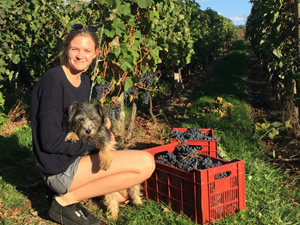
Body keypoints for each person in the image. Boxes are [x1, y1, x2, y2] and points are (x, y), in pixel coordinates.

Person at [30, 24, 156, 225]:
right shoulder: (54, 81)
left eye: (87, 51)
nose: (81, 56)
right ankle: (63, 202)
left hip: (75, 157)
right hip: (59, 168)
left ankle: (74, 192)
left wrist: (101, 125)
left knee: (123, 193)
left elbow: (82, 120)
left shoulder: (84, 80)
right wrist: (95, 145)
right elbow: (49, 142)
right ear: (66, 49)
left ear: (96, 53)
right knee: (145, 163)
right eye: (75, 49)